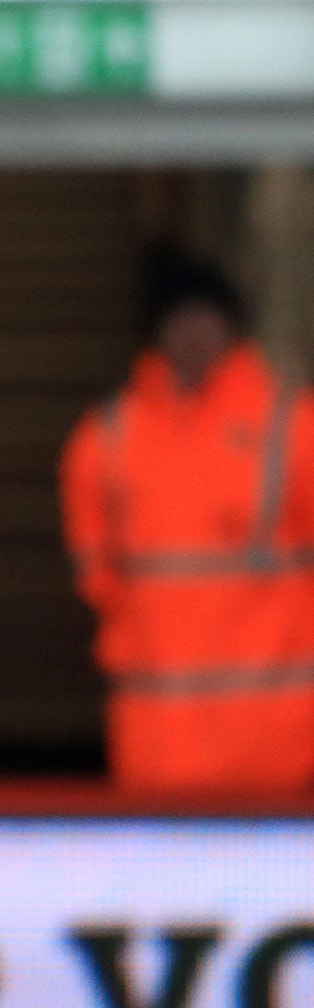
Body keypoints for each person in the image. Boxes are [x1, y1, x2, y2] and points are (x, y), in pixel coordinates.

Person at [60, 261, 314, 791]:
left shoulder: (292, 426)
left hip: (278, 753)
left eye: (206, 317)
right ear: (157, 331)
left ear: (231, 325)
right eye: (179, 319)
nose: (194, 333)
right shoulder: (108, 438)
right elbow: (95, 572)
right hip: (158, 748)